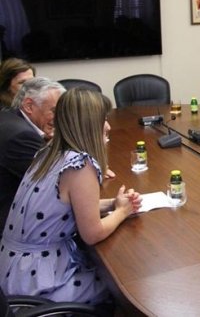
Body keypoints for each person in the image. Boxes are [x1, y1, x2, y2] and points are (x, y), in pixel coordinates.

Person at [0, 88, 142, 305]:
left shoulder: (48, 152)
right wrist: (122, 212)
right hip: (37, 283)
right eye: (103, 120)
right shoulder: (80, 165)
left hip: (14, 268)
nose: (108, 126)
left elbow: (65, 207)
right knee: (124, 285)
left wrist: (113, 203)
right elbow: (92, 234)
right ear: (88, 124)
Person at [0, 77, 65, 232]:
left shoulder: (9, 117)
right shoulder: (22, 136)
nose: (60, 118)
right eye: (54, 111)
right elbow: (61, 181)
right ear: (29, 106)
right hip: (15, 225)